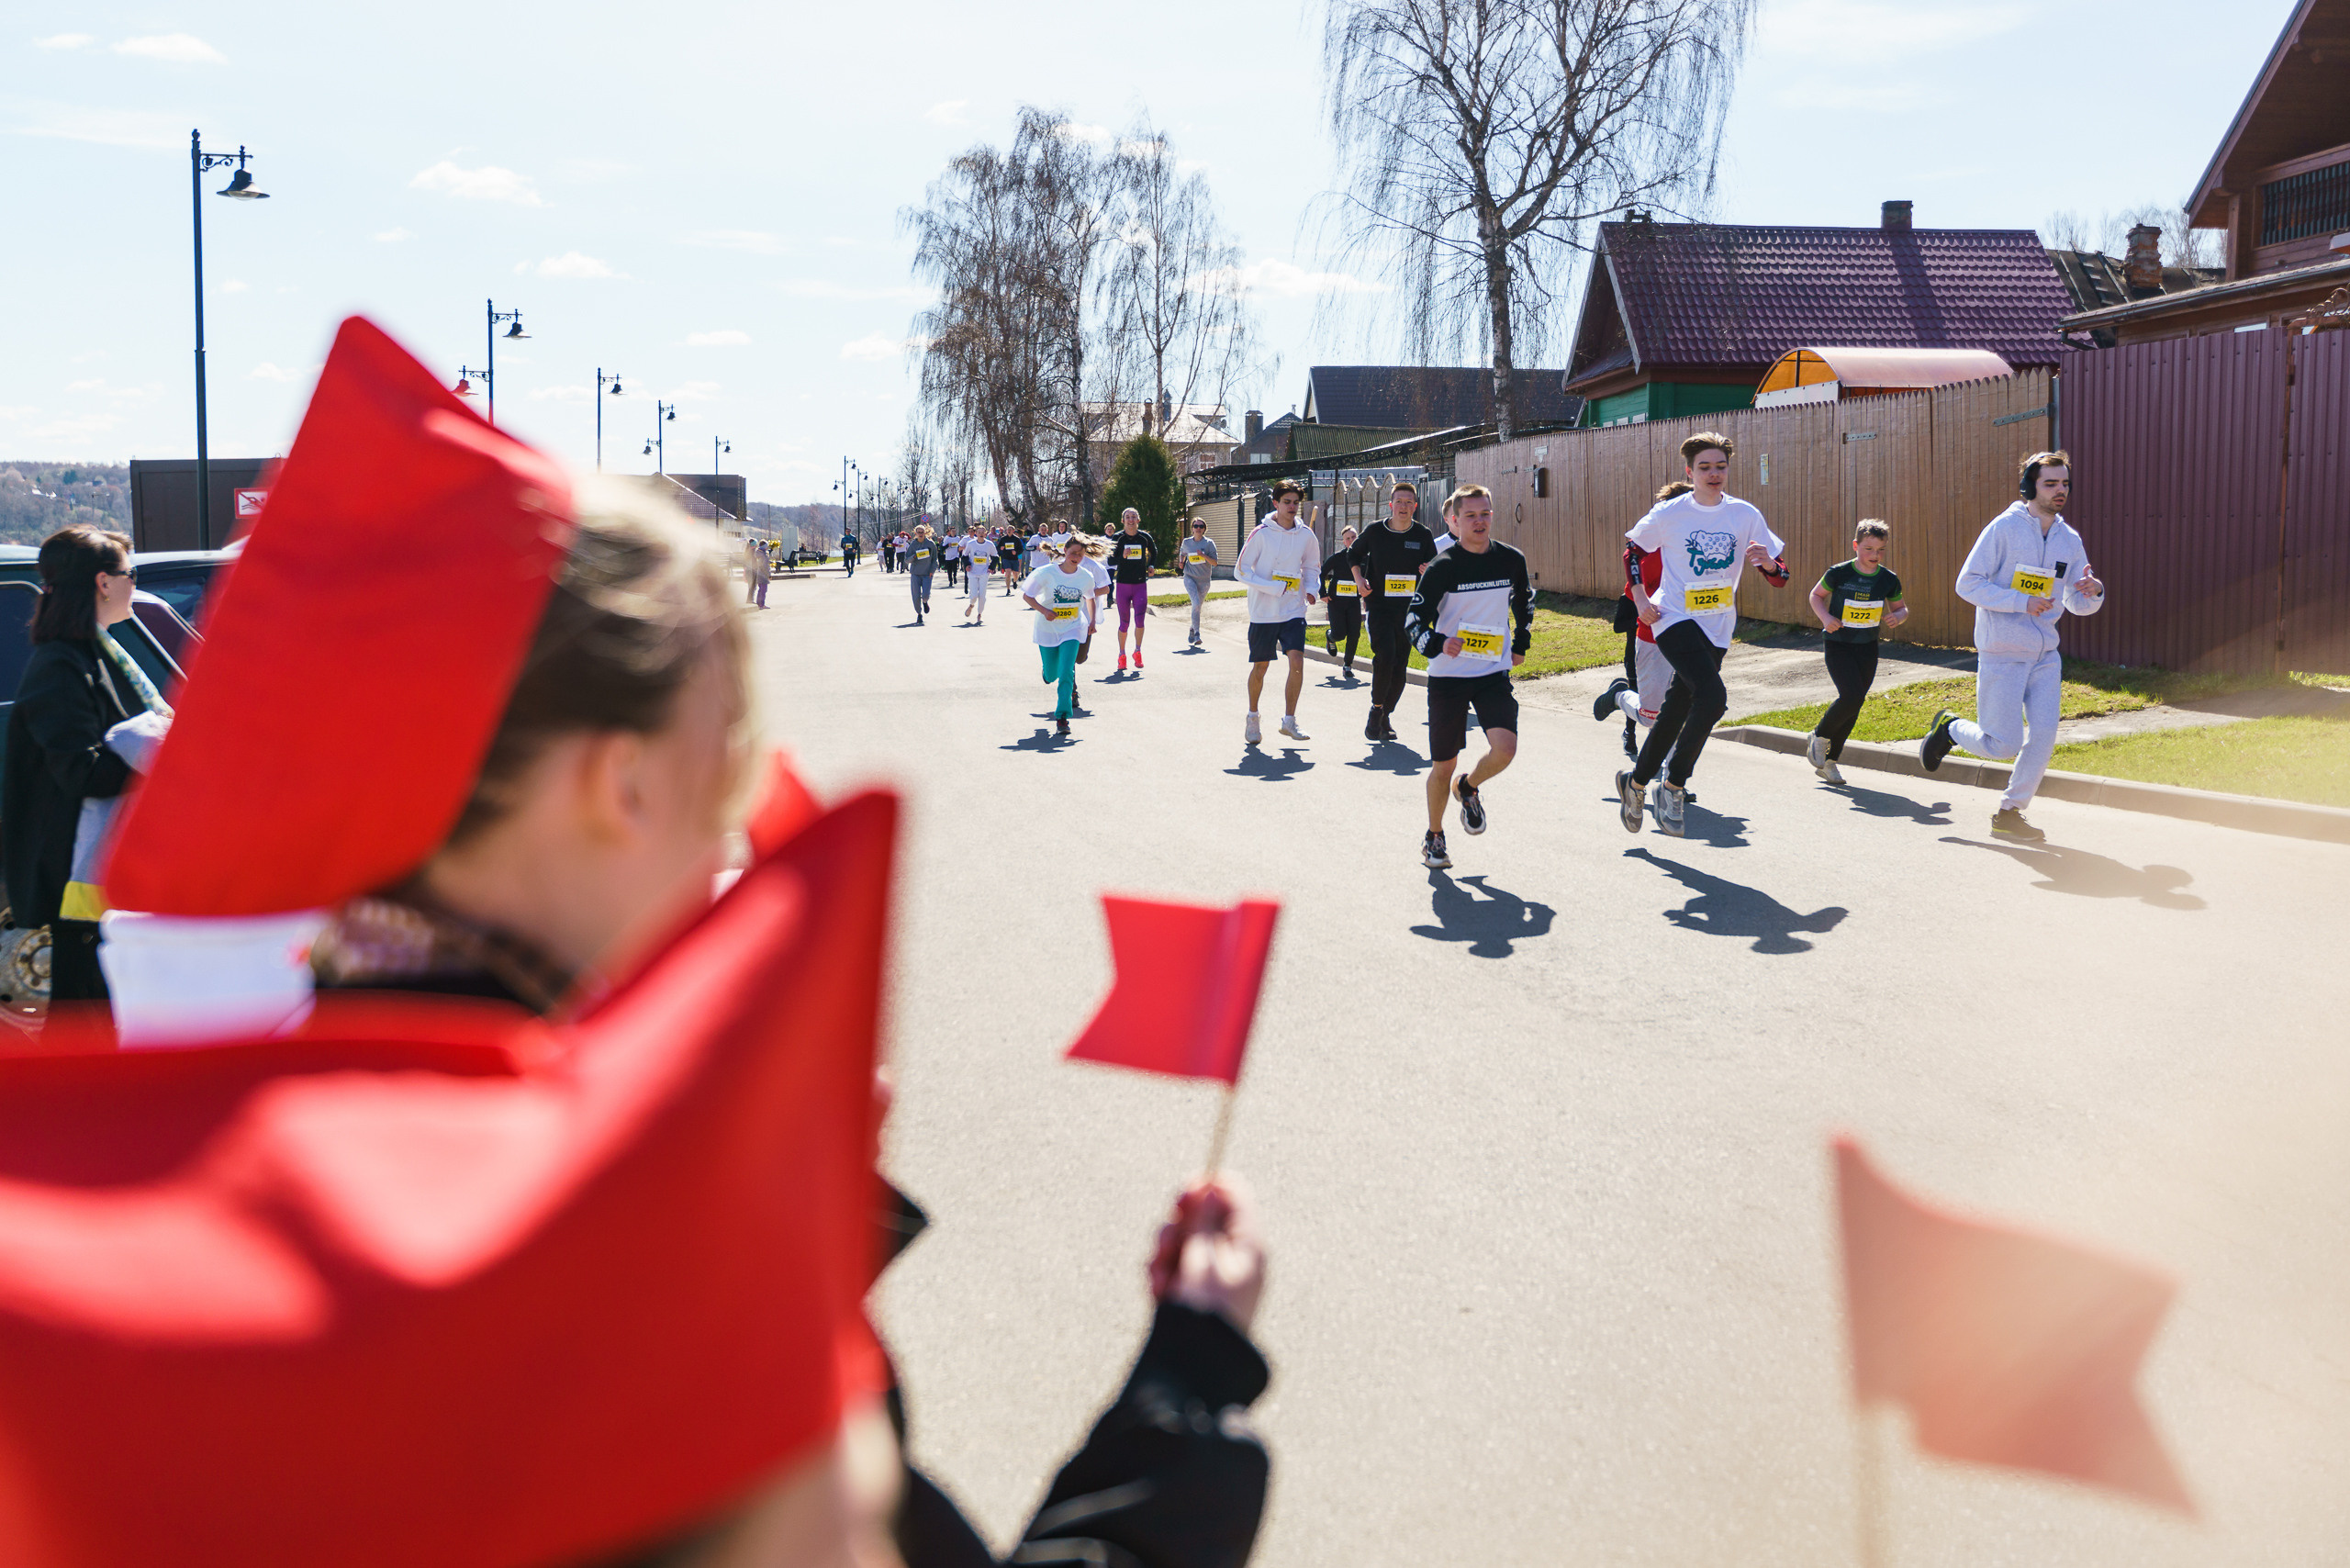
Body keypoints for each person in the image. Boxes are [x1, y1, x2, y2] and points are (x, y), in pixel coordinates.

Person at [71, 317, 1277, 1568]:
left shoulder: (293, 1117)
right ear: (621, 785)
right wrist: (1189, 1386)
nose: (737, 841)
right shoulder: (599, 1252)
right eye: (730, 771)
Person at [0, 525, 170, 1008]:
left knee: (104, 1008)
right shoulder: (61, 663)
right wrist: (157, 758)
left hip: (97, 866)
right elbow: (81, 771)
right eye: (129, 573)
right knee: (87, 1012)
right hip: (76, 873)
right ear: (103, 583)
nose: (134, 583)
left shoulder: (96, 654)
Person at [1921, 452, 2105, 841]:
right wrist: (2021, 602)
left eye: (2065, 484)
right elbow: (1967, 583)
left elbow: (2076, 601)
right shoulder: (2003, 529)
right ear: (2030, 487)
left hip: (2045, 655)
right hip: (2002, 650)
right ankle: (1951, 728)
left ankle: (2009, 813)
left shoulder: (2068, 539)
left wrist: (2094, 591)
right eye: (2051, 483)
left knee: (2043, 737)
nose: (2060, 491)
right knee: (2003, 744)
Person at [1615, 431, 1788, 839]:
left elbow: (1781, 576)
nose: (1714, 474)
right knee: (1713, 698)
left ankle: (1635, 784)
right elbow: (1633, 552)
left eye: (1721, 467)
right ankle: (1673, 786)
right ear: (1689, 472)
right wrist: (1640, 598)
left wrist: (1767, 564)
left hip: (1718, 624)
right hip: (1672, 616)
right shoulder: (1670, 513)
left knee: (1678, 707)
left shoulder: (1744, 514)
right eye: (1705, 468)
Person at [1405, 486, 1530, 869]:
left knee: (1505, 750)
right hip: (1449, 677)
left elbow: (1525, 601)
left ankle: (1469, 786)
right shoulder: (1444, 567)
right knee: (1443, 765)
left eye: (1486, 514)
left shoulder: (1511, 559)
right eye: (1471, 515)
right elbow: (1414, 621)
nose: (1480, 521)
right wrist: (1439, 643)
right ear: (1454, 520)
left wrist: (1521, 641)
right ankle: (1435, 836)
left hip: (1492, 670)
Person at [1806, 520, 1909, 785]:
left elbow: (1901, 608)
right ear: (1855, 546)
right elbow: (1816, 596)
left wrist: (1899, 616)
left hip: (1867, 646)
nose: (1874, 556)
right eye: (1868, 549)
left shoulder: (1888, 579)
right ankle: (1819, 735)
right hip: (1838, 643)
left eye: (1880, 550)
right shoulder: (1839, 573)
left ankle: (1830, 762)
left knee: (1856, 702)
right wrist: (1825, 618)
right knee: (1851, 696)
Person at [1594, 480, 1688, 762]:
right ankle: (1620, 695)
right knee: (1651, 714)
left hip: (1693, 632)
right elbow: (1636, 579)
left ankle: (1674, 778)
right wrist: (1644, 602)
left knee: (1690, 704)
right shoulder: (1651, 542)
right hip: (1653, 628)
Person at [1347, 482, 1438, 742]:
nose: (1404, 507)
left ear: (1415, 507)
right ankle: (1376, 710)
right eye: (1399, 501)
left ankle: (1386, 714)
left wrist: (1429, 568)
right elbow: (1352, 556)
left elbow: (1434, 565)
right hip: (1379, 606)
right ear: (1391, 505)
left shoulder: (1422, 534)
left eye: (1409, 502)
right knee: (1385, 656)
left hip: (1409, 610)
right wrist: (1358, 580)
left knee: (1400, 667)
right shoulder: (1376, 531)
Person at [1233, 483, 1320, 745]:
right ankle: (1252, 717)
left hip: (1293, 609)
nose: (1292, 507)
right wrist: (1272, 588)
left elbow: (1312, 566)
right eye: (1287, 502)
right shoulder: (1261, 534)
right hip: (1264, 612)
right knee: (1261, 667)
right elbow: (1241, 571)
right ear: (1276, 503)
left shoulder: (1306, 535)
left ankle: (1289, 720)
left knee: (1297, 662)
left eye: (1295, 502)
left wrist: (1312, 589)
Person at [1023, 535, 1096, 737]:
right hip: (1048, 630)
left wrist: (1091, 621)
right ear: (1065, 551)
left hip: (1073, 628)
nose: (1076, 557)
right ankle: (1047, 674)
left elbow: (1090, 598)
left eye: (1080, 554)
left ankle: (1062, 717)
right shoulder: (1046, 573)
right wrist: (1044, 611)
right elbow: (1027, 596)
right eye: (1073, 553)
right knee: (1052, 674)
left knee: (1066, 672)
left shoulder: (1086, 576)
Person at [1109, 508, 1158, 671]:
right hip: (1123, 584)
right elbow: (1110, 560)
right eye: (1127, 517)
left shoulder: (1144, 537)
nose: (1131, 520)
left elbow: (1154, 551)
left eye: (1133, 517)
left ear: (1138, 519)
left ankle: (1138, 651)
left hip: (1140, 585)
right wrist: (1121, 556)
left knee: (1140, 621)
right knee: (1124, 623)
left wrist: (1151, 564)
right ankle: (1121, 655)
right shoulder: (1118, 537)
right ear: (1122, 521)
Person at [1322, 525, 1363, 675]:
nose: (1351, 540)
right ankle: (1330, 637)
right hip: (1336, 602)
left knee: (1354, 633)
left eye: (1354, 537)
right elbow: (1322, 573)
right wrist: (1323, 593)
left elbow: (1371, 576)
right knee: (1339, 634)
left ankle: (1347, 665)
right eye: (1348, 538)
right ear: (1343, 542)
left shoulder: (1364, 558)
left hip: (1353, 602)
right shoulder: (1338, 557)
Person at [1178, 516, 1219, 647]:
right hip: (1189, 577)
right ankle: (1197, 634)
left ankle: (1192, 628)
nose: (1198, 528)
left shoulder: (1209, 543)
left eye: (1201, 526)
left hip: (1204, 581)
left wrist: (1203, 556)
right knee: (1195, 603)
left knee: (1197, 607)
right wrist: (1181, 561)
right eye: (1196, 526)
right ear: (1192, 529)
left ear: (1204, 529)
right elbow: (1182, 553)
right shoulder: (1187, 542)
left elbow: (1215, 563)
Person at [904, 524, 938, 624]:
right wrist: (913, 557)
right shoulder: (913, 545)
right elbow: (906, 559)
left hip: (927, 573)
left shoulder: (931, 544)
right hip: (915, 573)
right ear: (915, 533)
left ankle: (925, 602)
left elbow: (934, 560)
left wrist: (932, 570)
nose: (920, 534)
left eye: (922, 532)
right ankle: (919, 614)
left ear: (925, 533)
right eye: (918, 532)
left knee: (926, 595)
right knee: (915, 595)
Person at [960, 529, 994, 624]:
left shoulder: (989, 544)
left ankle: (979, 614)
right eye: (979, 532)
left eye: (983, 532)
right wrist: (967, 565)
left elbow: (995, 556)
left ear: (985, 534)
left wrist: (991, 567)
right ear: (976, 534)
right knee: (974, 595)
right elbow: (965, 556)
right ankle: (971, 605)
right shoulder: (971, 544)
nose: (981, 534)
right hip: (973, 572)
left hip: (984, 572)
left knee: (982, 595)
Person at [744, 534, 773, 609]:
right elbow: (764, 566)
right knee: (762, 590)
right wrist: (769, 574)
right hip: (761, 573)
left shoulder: (756, 552)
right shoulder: (761, 554)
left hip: (756, 572)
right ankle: (760, 604)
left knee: (758, 589)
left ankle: (756, 602)